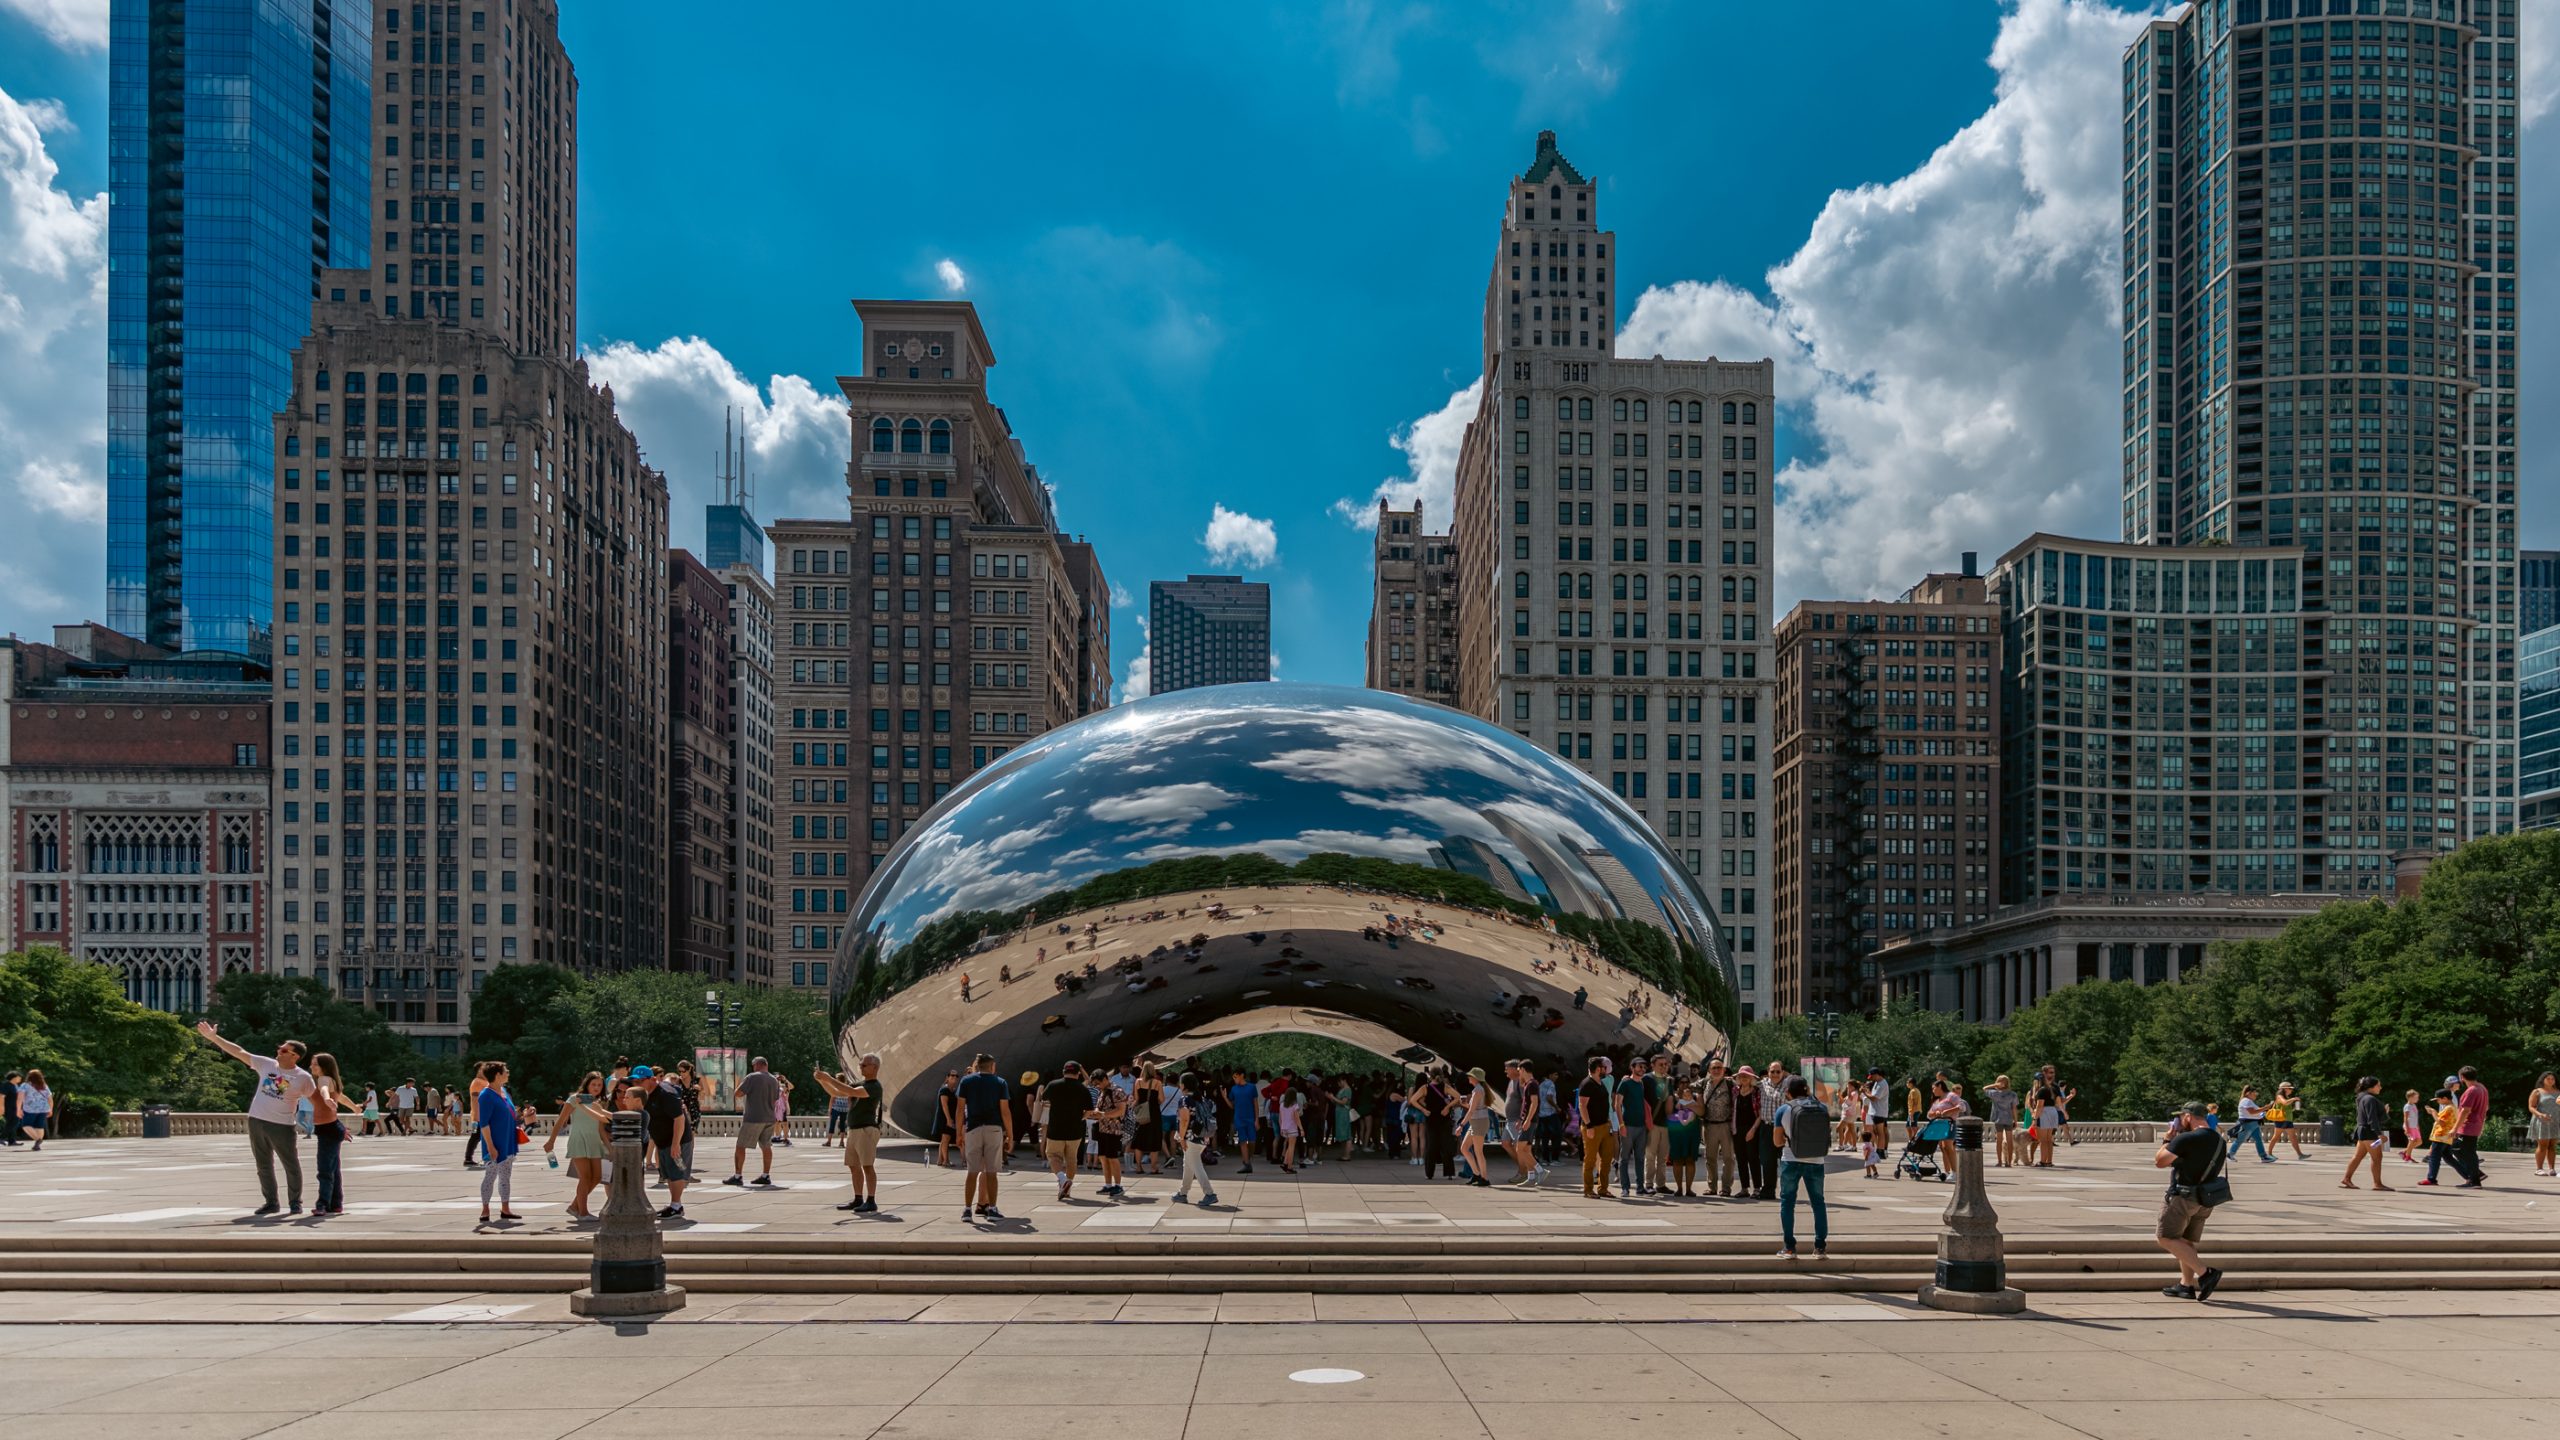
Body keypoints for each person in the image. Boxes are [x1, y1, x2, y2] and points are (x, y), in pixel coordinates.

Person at [194, 1021, 313, 1215]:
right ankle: (271, 1202)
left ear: (295, 1056)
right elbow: (239, 1052)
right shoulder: (267, 1064)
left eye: (284, 1050)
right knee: (263, 1165)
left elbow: (316, 1099)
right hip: (257, 1121)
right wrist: (214, 1038)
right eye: (280, 1048)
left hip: (282, 1126)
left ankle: (295, 1203)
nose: (279, 1051)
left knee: (290, 1165)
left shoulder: (303, 1077)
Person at [2153, 1101, 2227, 1301]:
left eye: (2180, 1117)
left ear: (2188, 1116)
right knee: (2186, 1241)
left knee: (2165, 1237)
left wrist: (2167, 1139)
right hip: (2205, 1199)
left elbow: (2160, 1161)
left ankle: (2205, 1273)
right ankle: (2186, 1285)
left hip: (2183, 1197)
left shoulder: (2187, 1138)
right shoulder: (2219, 1140)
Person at [810, 1057, 887, 1213]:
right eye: (860, 1064)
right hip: (854, 1129)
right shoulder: (861, 1084)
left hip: (866, 1130)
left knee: (867, 1166)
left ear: (874, 1067)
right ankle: (858, 1198)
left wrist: (828, 1078)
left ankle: (871, 1200)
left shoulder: (874, 1086)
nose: (861, 1067)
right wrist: (822, 1081)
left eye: (864, 1065)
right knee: (853, 1165)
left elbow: (851, 1092)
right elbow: (837, 1092)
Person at [1772, 1076, 1830, 1261]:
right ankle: (1820, 1247)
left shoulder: (1784, 1110)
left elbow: (1777, 1141)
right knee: (1818, 1203)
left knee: (1787, 1202)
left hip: (1791, 1159)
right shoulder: (1822, 1107)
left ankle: (1789, 1248)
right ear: (1807, 1090)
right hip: (1816, 1160)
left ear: (1788, 1092)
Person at [544, 1070, 610, 1220]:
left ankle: (574, 1207)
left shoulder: (600, 1102)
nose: (596, 1087)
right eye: (593, 1084)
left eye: (599, 1085)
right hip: (579, 1140)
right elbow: (561, 1121)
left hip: (595, 1142)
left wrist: (609, 1147)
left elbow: (601, 1127)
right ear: (587, 1084)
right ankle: (583, 1212)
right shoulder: (575, 1099)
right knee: (585, 1177)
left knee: (597, 1177)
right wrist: (551, 1141)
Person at [957, 1052, 1012, 1219]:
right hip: (993, 1128)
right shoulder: (1000, 1082)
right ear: (992, 1066)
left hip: (973, 1129)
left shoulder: (966, 1081)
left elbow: (960, 1109)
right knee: (991, 1171)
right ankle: (992, 1209)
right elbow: (1005, 1111)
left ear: (977, 1065)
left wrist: (958, 1133)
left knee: (972, 1171)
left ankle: (967, 1209)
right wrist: (1010, 1134)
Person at [639, 1065, 690, 1220]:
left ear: (652, 1079)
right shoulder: (647, 1094)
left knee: (676, 1172)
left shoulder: (665, 1094)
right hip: (663, 1141)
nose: (638, 1084)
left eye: (641, 1081)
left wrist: (676, 1144)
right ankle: (675, 1205)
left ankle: (676, 1206)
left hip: (677, 1140)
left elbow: (679, 1119)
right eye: (635, 1081)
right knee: (668, 1173)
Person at [476, 1062, 524, 1225]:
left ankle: (505, 1208)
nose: (508, 1073)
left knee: (505, 1176)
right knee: (490, 1175)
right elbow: (484, 1124)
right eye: (506, 1071)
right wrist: (490, 1146)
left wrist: (524, 1116)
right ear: (497, 1075)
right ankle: (485, 1209)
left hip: (508, 1141)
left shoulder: (504, 1092)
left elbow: (510, 1115)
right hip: (495, 1143)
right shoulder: (486, 1095)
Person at [725, 1055, 783, 1188]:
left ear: (756, 1065)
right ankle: (765, 1175)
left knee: (741, 1146)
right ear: (766, 1065)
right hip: (769, 1118)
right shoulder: (774, 1080)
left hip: (753, 1118)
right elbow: (775, 1099)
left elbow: (738, 1093)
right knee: (766, 1146)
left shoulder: (752, 1077)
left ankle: (738, 1176)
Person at [307, 1052, 348, 1216]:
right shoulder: (332, 1080)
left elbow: (324, 1089)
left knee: (324, 1170)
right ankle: (336, 1204)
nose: (311, 1066)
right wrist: (355, 1108)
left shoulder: (323, 1079)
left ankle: (322, 1204)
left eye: (315, 1064)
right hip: (332, 1128)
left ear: (324, 1067)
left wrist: (326, 1099)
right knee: (333, 1169)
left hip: (328, 1130)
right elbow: (342, 1098)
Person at [1170, 1071, 1218, 1206]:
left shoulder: (1185, 1100)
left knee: (1196, 1166)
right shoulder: (1202, 1099)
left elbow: (1184, 1120)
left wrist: (1181, 1138)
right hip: (1202, 1137)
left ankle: (1209, 1193)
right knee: (1188, 1165)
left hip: (1190, 1138)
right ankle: (1183, 1193)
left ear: (1184, 1085)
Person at [2339, 1074, 2394, 1191]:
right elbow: (2372, 1119)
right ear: (2371, 1087)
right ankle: (2377, 1184)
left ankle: (2347, 1179)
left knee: (2358, 1156)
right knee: (2377, 1157)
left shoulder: (2362, 1097)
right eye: (2378, 1085)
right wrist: (2380, 1134)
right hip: (2370, 1133)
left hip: (2363, 1131)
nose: (2380, 1087)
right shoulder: (2370, 1099)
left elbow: (2369, 1117)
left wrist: (2384, 1112)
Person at [1696, 1059, 1739, 1197]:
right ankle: (1712, 1187)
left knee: (1728, 1158)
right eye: (1713, 1068)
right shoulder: (1703, 1083)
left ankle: (1726, 1188)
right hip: (1709, 1125)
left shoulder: (1730, 1084)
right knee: (1710, 1158)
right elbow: (1686, 1085)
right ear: (1709, 1070)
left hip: (1726, 1125)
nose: (1716, 1070)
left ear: (1724, 1070)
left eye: (1719, 1067)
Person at [1577, 1056, 1616, 1198]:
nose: (1606, 1070)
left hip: (1605, 1125)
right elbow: (1582, 1106)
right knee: (1590, 1160)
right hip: (1592, 1127)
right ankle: (1588, 1190)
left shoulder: (1600, 1082)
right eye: (1604, 1068)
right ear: (1599, 1069)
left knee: (1606, 1159)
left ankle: (1603, 1189)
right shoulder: (1587, 1084)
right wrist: (1589, 1126)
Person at [1615, 1055, 1651, 1196]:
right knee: (1624, 1158)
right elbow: (1617, 1105)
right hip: (1628, 1125)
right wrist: (1621, 1124)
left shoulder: (1641, 1084)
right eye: (1639, 1066)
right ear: (1632, 1067)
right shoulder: (1625, 1083)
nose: (1642, 1069)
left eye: (1644, 1067)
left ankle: (1640, 1187)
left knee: (1640, 1158)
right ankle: (1625, 1187)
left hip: (1641, 1126)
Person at [2447, 1065, 2490, 1187]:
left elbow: (2465, 1110)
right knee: (2466, 1151)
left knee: (2460, 1150)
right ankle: (2476, 1176)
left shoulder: (2471, 1090)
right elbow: (2486, 1108)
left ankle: (2474, 1179)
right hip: (2476, 1125)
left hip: (2467, 1127)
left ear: (2462, 1077)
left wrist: (2455, 1128)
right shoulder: (2482, 1088)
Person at [1755, 1061, 1789, 1199]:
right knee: (1767, 1161)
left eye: (1778, 1071)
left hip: (1784, 1128)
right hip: (1767, 1127)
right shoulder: (1762, 1084)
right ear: (1768, 1072)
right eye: (1772, 1071)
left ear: (1783, 1072)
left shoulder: (1788, 1085)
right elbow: (1743, 1081)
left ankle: (1787, 1191)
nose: (1775, 1074)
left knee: (1785, 1160)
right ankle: (1768, 1190)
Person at [1501, 1060, 1540, 1185]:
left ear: (1515, 1069)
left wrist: (1522, 1119)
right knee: (1506, 1143)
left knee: (1521, 1148)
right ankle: (1526, 1170)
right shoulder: (1511, 1082)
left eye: (1507, 1068)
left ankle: (1525, 1172)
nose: (1505, 1071)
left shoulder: (1522, 1083)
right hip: (1509, 1120)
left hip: (1517, 1120)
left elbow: (1528, 1102)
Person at [1731, 1064, 1764, 1200]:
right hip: (1737, 1129)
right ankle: (1744, 1188)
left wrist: (1753, 1130)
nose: (1744, 1078)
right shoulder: (1735, 1091)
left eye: (1746, 1076)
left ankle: (1757, 1188)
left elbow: (1760, 1114)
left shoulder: (1756, 1092)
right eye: (1741, 1076)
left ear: (1752, 1078)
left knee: (1753, 1158)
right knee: (1741, 1159)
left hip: (1752, 1128)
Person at [1666, 1079, 1702, 1196]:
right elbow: (1668, 1112)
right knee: (1677, 1160)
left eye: (1687, 1082)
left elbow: (1701, 1111)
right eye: (1681, 1082)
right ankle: (1679, 1188)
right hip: (1676, 1132)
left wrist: (1690, 1104)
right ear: (1677, 1084)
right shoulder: (1673, 1097)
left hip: (1692, 1132)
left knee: (1690, 1159)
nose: (1685, 1084)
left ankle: (1689, 1189)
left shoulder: (1695, 1096)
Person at [1226, 1067, 1260, 1175]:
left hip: (1250, 1118)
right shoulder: (1234, 1089)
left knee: (1252, 1141)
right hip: (1239, 1118)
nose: (1234, 1078)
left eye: (1235, 1076)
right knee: (1242, 1141)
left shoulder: (1251, 1087)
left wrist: (1257, 1119)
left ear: (1242, 1075)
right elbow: (1232, 1105)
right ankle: (1246, 1163)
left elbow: (1255, 1104)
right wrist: (1225, 1097)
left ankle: (1248, 1159)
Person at [2226, 1085, 2272, 1162]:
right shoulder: (2246, 1101)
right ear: (2249, 1093)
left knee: (2258, 1140)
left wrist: (2264, 1111)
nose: (2256, 1094)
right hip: (2248, 1124)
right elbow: (2252, 1112)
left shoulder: (2248, 1101)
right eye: (2254, 1093)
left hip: (2253, 1123)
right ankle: (2229, 1154)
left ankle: (2264, 1156)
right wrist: (2265, 1108)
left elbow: (2256, 1113)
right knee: (2240, 1140)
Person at [2528, 1072, 2560, 1179]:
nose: (2551, 1080)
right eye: (2548, 1078)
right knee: (2543, 1146)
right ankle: (2539, 1169)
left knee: (2552, 1146)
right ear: (2543, 1080)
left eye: (2552, 1079)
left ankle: (2552, 1169)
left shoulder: (2558, 1092)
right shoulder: (2537, 1092)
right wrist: (2540, 1115)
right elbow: (2531, 1107)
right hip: (2541, 1121)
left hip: (2555, 1122)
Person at [1985, 1075, 2020, 1167]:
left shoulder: (1994, 1093)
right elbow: (2014, 1108)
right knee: (2009, 1140)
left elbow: (1984, 1089)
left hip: (1998, 1118)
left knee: (1999, 1141)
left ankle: (2000, 1161)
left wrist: (1994, 1085)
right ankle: (2008, 1162)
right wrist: (2016, 1121)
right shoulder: (2012, 1094)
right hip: (2008, 1119)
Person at [13, 1068, 51, 1151]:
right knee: (39, 1126)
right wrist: (50, 1109)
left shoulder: (25, 1085)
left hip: (30, 1109)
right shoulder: (44, 1086)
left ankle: (38, 1140)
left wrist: (18, 1109)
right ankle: (37, 1145)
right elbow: (50, 1098)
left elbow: (20, 1098)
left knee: (26, 1125)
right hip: (43, 1109)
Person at [2267, 1081, 2306, 1159]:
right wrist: (2294, 1099)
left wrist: (2294, 1107)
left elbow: (2287, 1107)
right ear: (2285, 1089)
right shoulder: (2279, 1096)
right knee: (2276, 1137)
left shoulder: (2286, 1097)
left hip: (2288, 1120)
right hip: (2281, 1120)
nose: (2291, 1090)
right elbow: (2284, 1103)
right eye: (2290, 1088)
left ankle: (2300, 1155)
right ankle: (2269, 1154)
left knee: (2293, 1137)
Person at [932, 1070, 961, 1167]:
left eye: (956, 1076)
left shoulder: (953, 1090)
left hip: (949, 1117)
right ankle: (946, 1161)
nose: (954, 1077)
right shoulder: (944, 1090)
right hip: (944, 1118)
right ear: (947, 1077)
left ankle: (940, 1160)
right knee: (946, 1139)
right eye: (952, 1075)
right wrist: (948, 1119)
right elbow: (944, 1105)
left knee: (944, 1139)